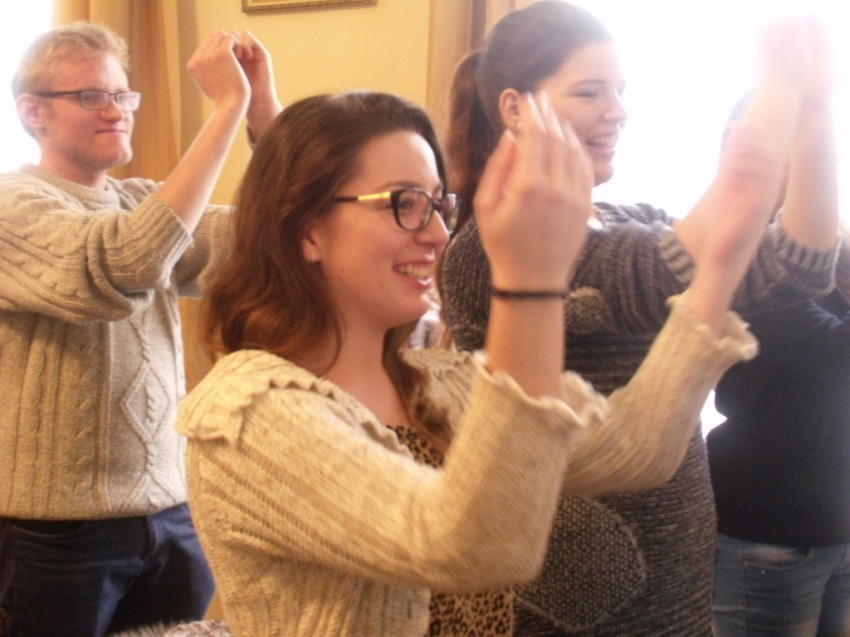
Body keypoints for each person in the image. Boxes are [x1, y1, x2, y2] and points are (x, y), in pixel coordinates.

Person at [176, 23, 817, 630]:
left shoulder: (435, 383)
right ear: (306, 229)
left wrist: (721, 266)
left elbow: (632, 451)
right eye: (404, 203)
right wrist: (529, 282)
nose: (436, 233)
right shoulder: (247, 415)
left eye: (439, 203)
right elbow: (468, 546)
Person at [439, 3, 838, 635]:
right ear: (514, 107)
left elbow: (797, 264)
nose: (619, 110)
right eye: (590, 92)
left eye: (621, 90)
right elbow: (678, 267)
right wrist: (775, 96)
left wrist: (813, 112)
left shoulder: (629, 217)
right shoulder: (494, 247)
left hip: (676, 569)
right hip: (578, 592)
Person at [0, 22, 280, 636]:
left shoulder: (140, 203)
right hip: (57, 534)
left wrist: (263, 113)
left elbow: (273, 239)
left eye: (123, 95)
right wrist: (226, 111)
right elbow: (124, 263)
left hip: (173, 517)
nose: (117, 110)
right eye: (91, 96)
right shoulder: (11, 206)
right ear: (33, 112)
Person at [707, 41, 848, 635]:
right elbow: (835, 354)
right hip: (767, 536)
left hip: (834, 529)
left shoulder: (834, 248)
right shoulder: (745, 254)